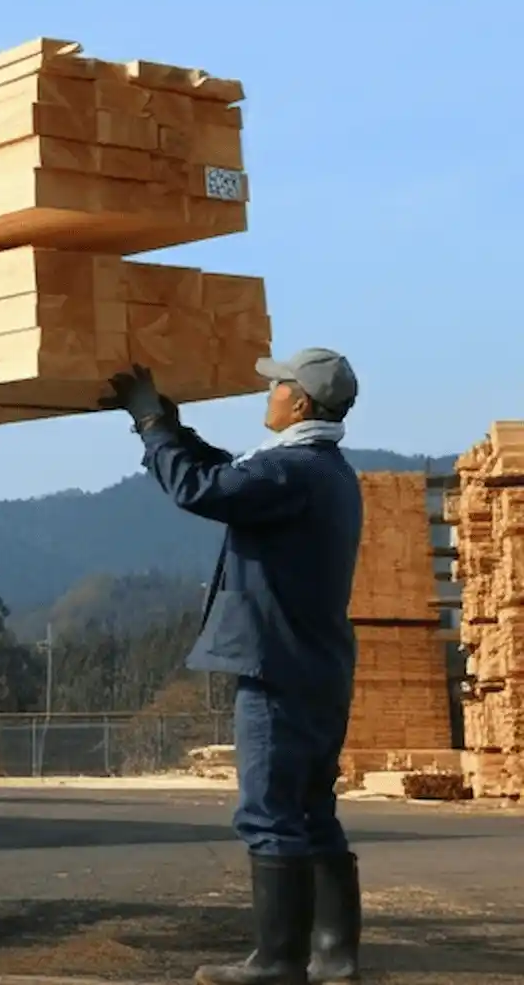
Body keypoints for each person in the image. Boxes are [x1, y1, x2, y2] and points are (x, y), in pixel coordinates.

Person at [99, 349, 365, 985]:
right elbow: (231, 475)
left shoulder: (292, 471)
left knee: (270, 812)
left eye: (277, 387)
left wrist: (149, 426)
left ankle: (277, 962)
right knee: (311, 811)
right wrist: (174, 428)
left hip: (278, 669)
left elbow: (201, 488)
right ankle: (334, 956)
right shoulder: (324, 469)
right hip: (319, 667)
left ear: (300, 404)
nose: (267, 394)